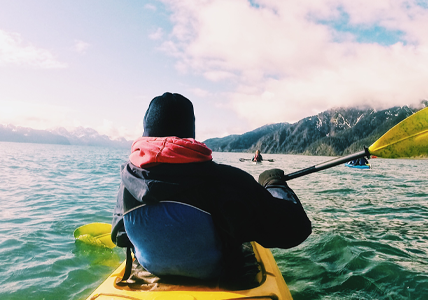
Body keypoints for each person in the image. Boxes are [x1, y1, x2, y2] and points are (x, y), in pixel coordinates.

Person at [110, 93, 311, 281]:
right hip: (221, 275)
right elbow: (297, 230)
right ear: (190, 131)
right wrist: (274, 183)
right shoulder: (227, 180)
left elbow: (120, 236)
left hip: (153, 270)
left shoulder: (126, 181)